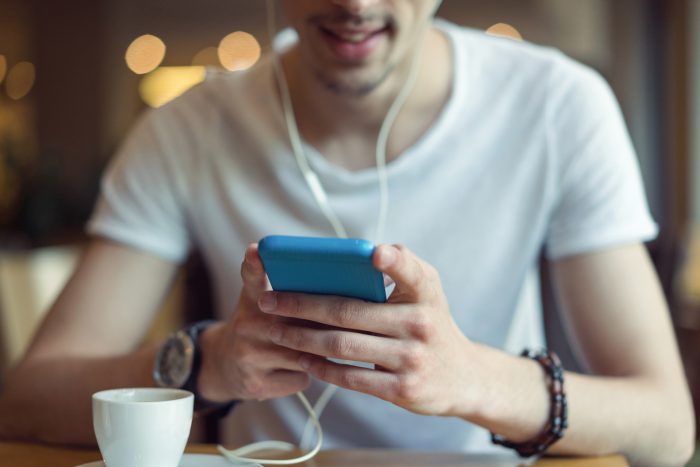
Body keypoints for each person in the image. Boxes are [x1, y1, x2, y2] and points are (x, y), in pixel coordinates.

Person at [0, 0, 695, 465]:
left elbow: (669, 424)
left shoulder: (557, 107)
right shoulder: (187, 130)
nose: (356, 2)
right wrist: (210, 359)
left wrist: (475, 377)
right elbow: (28, 396)